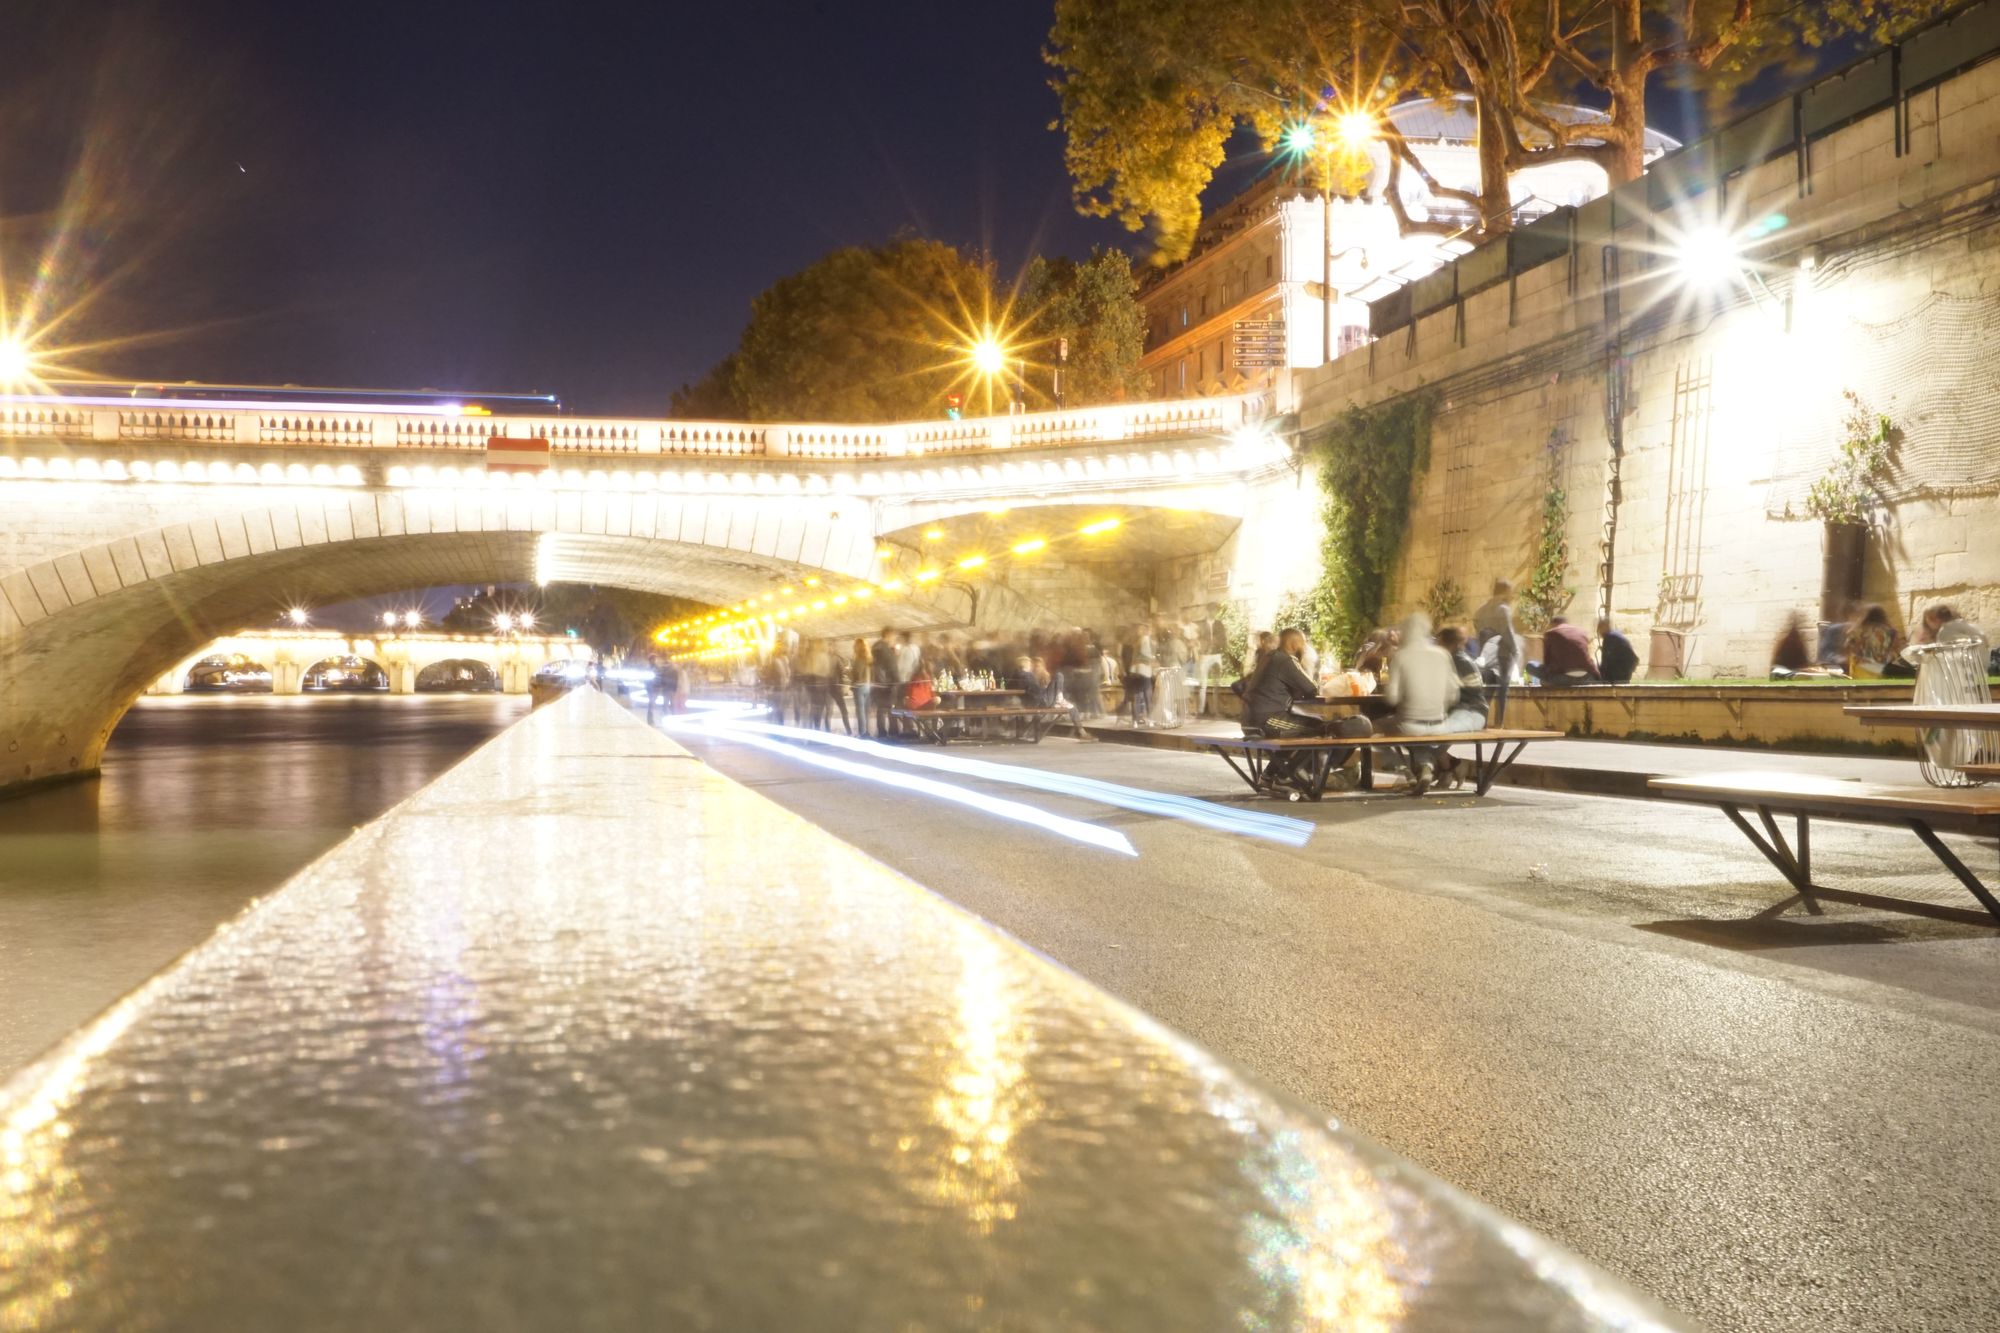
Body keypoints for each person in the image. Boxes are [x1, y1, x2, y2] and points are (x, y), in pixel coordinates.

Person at [1240, 627, 1372, 791]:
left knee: (1310, 725)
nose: (1305, 648)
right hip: (1267, 719)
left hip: (1252, 718)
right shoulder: (1286, 660)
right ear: (1294, 644)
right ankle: (1285, 775)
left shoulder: (1269, 657)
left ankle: (1270, 775)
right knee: (1317, 729)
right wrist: (1305, 664)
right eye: (1304, 644)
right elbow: (1311, 688)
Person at [1384, 612, 1480, 788]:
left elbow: (1392, 698)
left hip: (1410, 725)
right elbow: (1454, 695)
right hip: (1440, 725)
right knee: (1422, 732)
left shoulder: (1401, 656)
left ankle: (1404, 771)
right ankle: (1425, 766)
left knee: (1377, 730)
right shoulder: (1442, 655)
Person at [1472, 579, 1519, 723]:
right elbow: (1507, 632)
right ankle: (1499, 723)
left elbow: (1477, 627)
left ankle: (1483, 721)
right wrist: (1515, 649)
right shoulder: (1503, 608)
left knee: (1487, 690)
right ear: (1505, 591)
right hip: (1502, 653)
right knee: (1502, 690)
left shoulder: (1481, 609)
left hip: (1485, 653)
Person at [1529, 616, 1599, 684]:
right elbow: (1588, 659)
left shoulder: (1550, 633)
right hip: (1586, 678)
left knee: (1530, 665)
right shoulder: (1582, 632)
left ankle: (1548, 682)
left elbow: (1547, 663)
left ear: (1553, 624)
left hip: (1562, 679)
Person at [1844, 604, 1906, 678]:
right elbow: (1896, 651)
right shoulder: (1890, 632)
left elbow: (1847, 647)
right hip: (1880, 668)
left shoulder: (1856, 631)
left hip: (1860, 668)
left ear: (1866, 616)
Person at [1151, 620, 1188, 727]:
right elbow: (1183, 658)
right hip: (1173, 671)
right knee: (1172, 696)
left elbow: (1158, 657)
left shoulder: (1162, 644)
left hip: (1166, 671)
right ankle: (1171, 719)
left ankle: (1169, 718)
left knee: (1166, 697)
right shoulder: (1178, 643)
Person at [870, 627, 900, 738]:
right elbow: (892, 666)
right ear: (887, 635)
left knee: (881, 709)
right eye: (893, 636)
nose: (893, 638)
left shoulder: (875, 647)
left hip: (877, 682)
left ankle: (882, 732)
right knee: (891, 708)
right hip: (887, 682)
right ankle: (893, 732)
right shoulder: (885, 649)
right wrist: (896, 680)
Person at [1597, 618, 1638, 684]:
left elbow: (1605, 661)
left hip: (1621, 670)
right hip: (1627, 667)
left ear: (1605, 626)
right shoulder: (1614, 634)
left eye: (1600, 628)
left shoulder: (1609, 637)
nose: (1599, 631)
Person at [1771, 613, 1813, 678]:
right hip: (1784, 669)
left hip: (1793, 670)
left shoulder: (1797, 642)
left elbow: (1802, 663)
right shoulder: (1787, 641)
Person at [850, 638, 874, 736]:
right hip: (868, 685)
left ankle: (862, 732)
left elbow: (858, 673)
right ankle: (867, 731)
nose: (853, 647)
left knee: (860, 711)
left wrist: (851, 674)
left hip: (859, 686)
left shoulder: (859, 658)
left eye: (855, 645)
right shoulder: (868, 657)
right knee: (866, 711)